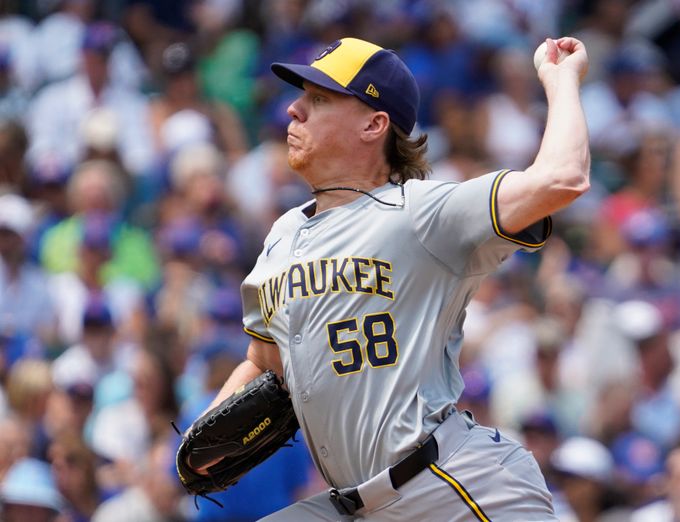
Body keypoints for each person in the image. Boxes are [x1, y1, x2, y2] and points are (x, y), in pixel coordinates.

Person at [185, 35, 590, 520]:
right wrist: (207, 427)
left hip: (455, 487)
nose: (294, 110)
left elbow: (562, 177)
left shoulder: (420, 212)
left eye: (318, 99)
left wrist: (561, 79)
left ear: (374, 124)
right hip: (353, 505)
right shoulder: (282, 236)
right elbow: (265, 358)